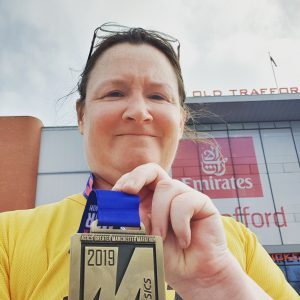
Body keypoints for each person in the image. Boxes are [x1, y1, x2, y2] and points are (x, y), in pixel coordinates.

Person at [0, 23, 299, 300]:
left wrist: (221, 282)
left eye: (158, 96)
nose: (139, 111)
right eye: (114, 92)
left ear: (181, 122)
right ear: (81, 115)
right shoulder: (8, 237)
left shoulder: (237, 244)